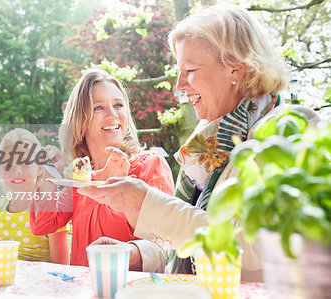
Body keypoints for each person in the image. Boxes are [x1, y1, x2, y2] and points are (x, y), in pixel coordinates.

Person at [77, 4, 319, 281]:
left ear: (235, 70)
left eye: (190, 69)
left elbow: (251, 247)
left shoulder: (291, 130)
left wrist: (145, 203)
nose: (179, 84)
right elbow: (188, 247)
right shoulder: (209, 142)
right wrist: (137, 253)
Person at [30, 68, 175, 272]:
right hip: (87, 291)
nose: (113, 114)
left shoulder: (149, 165)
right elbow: (43, 225)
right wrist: (49, 172)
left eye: (118, 105)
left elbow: (165, 244)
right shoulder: (80, 180)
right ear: (80, 120)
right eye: (98, 107)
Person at [0, 128, 69, 264]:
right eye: (8, 164)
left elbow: (61, 268)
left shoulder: (51, 210)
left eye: (25, 163)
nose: (17, 171)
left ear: (39, 168)